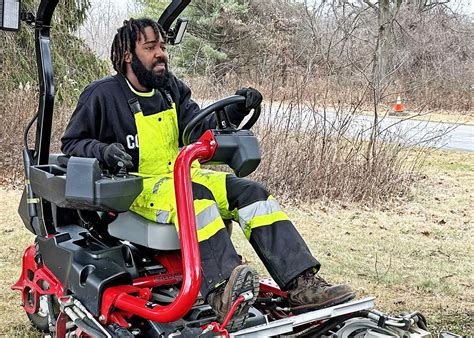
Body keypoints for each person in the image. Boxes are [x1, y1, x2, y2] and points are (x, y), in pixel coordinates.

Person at [61, 18, 355, 331]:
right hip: (139, 188)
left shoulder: (170, 89)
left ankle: (302, 284)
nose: (161, 54)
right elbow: (72, 143)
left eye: (162, 47)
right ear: (128, 56)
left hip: (183, 174)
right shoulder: (102, 95)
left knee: (251, 193)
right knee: (196, 198)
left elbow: (199, 129)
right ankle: (222, 291)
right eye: (150, 48)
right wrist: (103, 151)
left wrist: (236, 111)